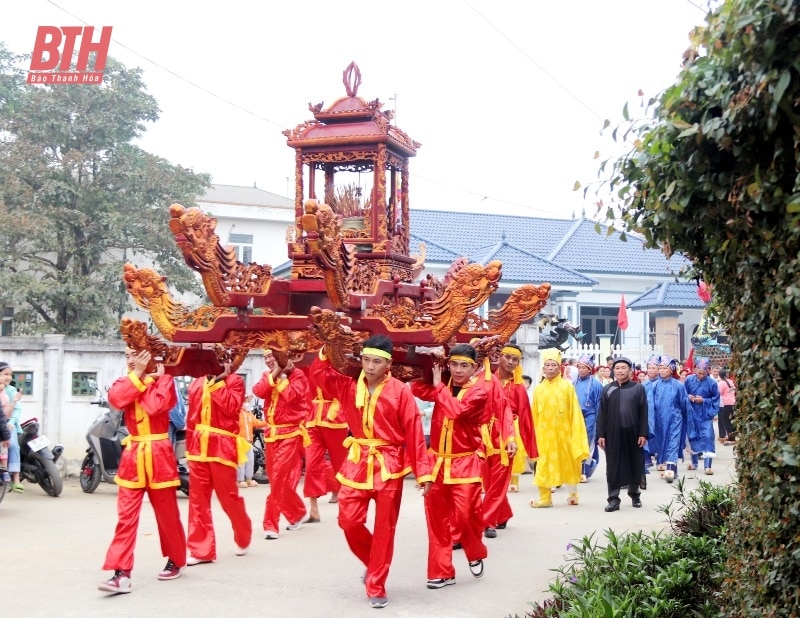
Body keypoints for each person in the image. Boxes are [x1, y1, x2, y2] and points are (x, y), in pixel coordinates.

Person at [311, 334, 432, 610]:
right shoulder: (348, 385)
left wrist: (423, 473)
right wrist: (326, 348)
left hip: (389, 463)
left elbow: (414, 432)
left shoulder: (400, 391)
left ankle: (376, 583)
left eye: (376, 362)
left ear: (387, 364)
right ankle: (373, 562)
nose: (369, 367)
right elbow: (319, 376)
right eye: (366, 360)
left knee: (385, 528)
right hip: (357, 461)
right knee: (348, 520)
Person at [99, 348, 186, 594]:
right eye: (127, 355)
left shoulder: (166, 380)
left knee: (167, 515)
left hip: (159, 453)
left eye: (136, 354)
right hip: (133, 455)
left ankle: (177, 559)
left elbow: (155, 406)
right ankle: (121, 573)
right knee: (126, 517)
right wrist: (142, 376)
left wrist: (144, 379)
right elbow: (116, 399)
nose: (130, 359)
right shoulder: (124, 380)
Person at [411, 343, 488, 589]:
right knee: (436, 519)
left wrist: (439, 385)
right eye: (453, 364)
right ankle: (442, 571)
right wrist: (429, 364)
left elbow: (456, 411)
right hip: (437, 463)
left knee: (467, 517)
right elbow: (416, 388)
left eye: (464, 365)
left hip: (465, 463)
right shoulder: (441, 386)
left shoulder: (479, 392)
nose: (457, 370)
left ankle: (474, 552)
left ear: (474, 368)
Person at [185, 361, 253, 564]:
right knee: (197, 500)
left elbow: (232, 408)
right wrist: (189, 448)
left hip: (222, 445)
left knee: (228, 497)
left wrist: (217, 382)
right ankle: (201, 550)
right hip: (198, 447)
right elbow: (191, 418)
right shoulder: (196, 383)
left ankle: (243, 534)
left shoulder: (234, 381)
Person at [252, 350, 311, 540]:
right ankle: (298, 512)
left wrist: (283, 375)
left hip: (290, 433)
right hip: (271, 434)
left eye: (272, 356)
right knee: (276, 478)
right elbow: (258, 391)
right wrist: (275, 374)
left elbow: (292, 396)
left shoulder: (299, 376)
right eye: (266, 357)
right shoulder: (268, 375)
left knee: (277, 479)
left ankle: (271, 524)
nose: (269, 360)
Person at [529, 349, 589, 508]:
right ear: (543, 368)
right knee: (543, 465)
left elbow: (575, 412)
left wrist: (575, 434)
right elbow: (534, 414)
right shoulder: (539, 389)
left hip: (564, 434)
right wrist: (532, 437)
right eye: (547, 365)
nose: (550, 368)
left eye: (553, 365)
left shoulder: (567, 387)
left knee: (569, 463)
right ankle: (545, 498)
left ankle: (573, 494)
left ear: (559, 367)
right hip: (544, 436)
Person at [596, 357, 649, 512]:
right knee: (613, 466)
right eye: (617, 368)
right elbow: (602, 414)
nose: (620, 370)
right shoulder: (608, 389)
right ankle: (613, 499)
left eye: (623, 368)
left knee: (634, 464)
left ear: (630, 371)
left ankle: (634, 494)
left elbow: (644, 412)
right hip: (612, 434)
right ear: (613, 370)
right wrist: (601, 434)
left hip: (633, 433)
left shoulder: (638, 388)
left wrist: (643, 433)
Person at [477, 350, 518, 538]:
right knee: (489, 482)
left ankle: (487, 522)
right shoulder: (464, 379)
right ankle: (503, 513)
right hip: (478, 440)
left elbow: (507, 411)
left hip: (502, 438)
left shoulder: (496, 382)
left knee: (497, 483)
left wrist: (511, 438)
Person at [303, 373, 348, 522]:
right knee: (311, 465)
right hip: (312, 417)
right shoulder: (309, 358)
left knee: (340, 464)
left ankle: (345, 507)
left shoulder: (338, 359)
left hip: (335, 417)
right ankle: (314, 510)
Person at [501, 347, 538, 494]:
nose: (510, 362)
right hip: (489, 426)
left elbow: (525, 414)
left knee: (512, 455)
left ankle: (513, 481)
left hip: (511, 425)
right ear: (500, 356)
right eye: (507, 357)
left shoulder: (518, 386)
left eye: (514, 359)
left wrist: (531, 446)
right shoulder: (488, 378)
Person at [650, 355, 689, 483]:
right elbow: (651, 404)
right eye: (659, 367)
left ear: (671, 369)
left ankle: (670, 469)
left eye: (664, 368)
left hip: (675, 419)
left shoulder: (679, 385)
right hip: (659, 420)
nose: (661, 370)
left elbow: (684, 403)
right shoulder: (654, 386)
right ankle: (672, 468)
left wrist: (683, 417)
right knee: (662, 443)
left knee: (673, 442)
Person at [684, 357, 720, 475]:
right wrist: (688, 397)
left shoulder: (712, 383)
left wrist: (703, 400)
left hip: (705, 414)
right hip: (692, 412)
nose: (700, 376)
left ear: (708, 371)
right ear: (695, 370)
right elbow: (683, 393)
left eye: (703, 373)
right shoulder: (689, 380)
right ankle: (694, 463)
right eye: (699, 373)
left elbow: (715, 399)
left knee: (708, 436)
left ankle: (707, 466)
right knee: (692, 436)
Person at [574, 354, 603, 483]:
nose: (581, 370)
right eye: (579, 367)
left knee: (589, 442)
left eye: (584, 368)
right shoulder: (573, 384)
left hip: (591, 416)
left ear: (590, 369)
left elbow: (600, 405)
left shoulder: (596, 385)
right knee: (576, 442)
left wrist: (599, 421)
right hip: (575, 417)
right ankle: (575, 469)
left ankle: (585, 470)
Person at [0, 362, 24, 492]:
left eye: (10, 375)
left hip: (8, 423)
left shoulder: (11, 390)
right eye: (5, 374)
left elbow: (17, 410)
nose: (8, 377)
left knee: (13, 445)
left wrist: (11, 422)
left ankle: (15, 479)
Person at [237, 399, 266, 488]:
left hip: (249, 441)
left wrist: (268, 423)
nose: (246, 403)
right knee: (241, 462)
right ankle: (240, 480)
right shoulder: (236, 414)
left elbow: (257, 423)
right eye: (244, 401)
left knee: (250, 460)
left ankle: (249, 479)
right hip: (240, 441)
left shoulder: (249, 415)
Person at [717, 368, 736, 444]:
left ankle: (730, 438)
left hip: (725, 404)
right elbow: (733, 390)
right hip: (733, 403)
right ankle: (732, 436)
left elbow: (719, 393)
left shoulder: (721, 383)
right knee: (731, 420)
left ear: (720, 375)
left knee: (726, 421)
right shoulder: (730, 381)